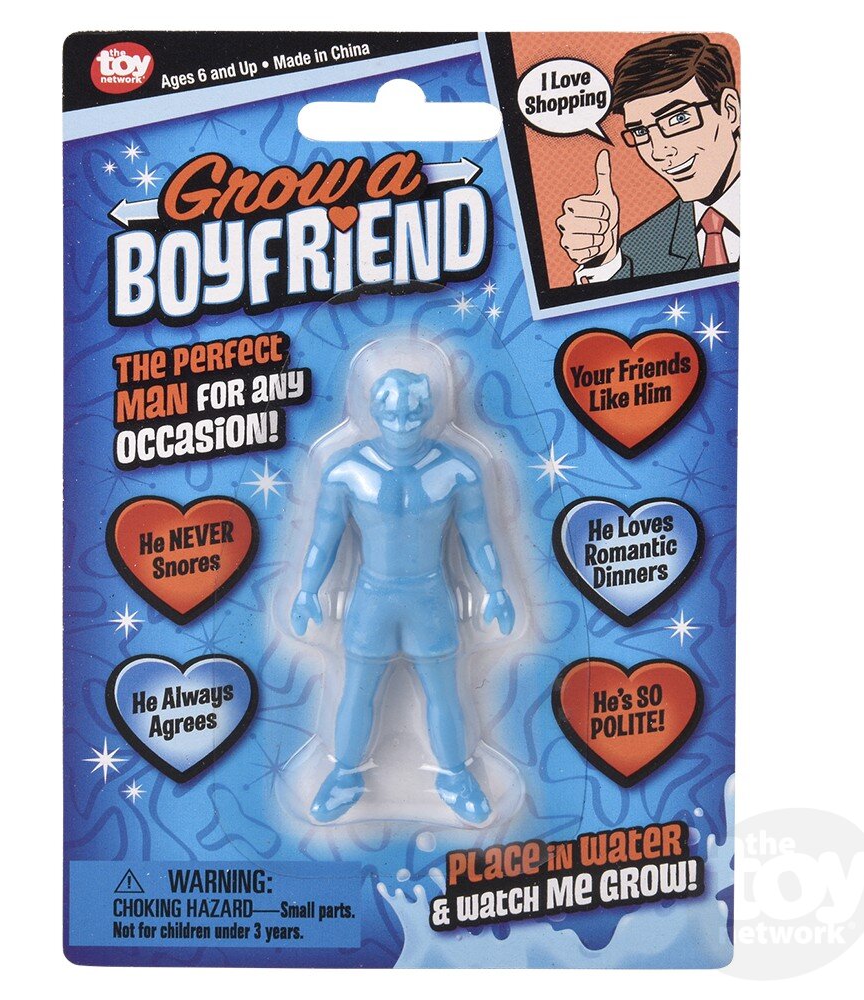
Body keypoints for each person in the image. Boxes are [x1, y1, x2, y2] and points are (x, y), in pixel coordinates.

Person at [291, 369, 514, 823]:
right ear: (374, 411)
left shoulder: (456, 470)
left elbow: (479, 537)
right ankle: (344, 775)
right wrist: (306, 589)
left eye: (413, 412)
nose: (402, 423)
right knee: (356, 692)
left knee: (444, 694)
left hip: (428, 598)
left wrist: (496, 588)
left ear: (429, 411)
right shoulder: (346, 470)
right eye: (392, 413)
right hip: (371, 599)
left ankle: (455, 777)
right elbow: (323, 539)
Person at [556, 34, 740, 282]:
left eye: (678, 118)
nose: (659, 151)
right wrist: (604, 263)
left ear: (729, 110)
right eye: (641, 132)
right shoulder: (638, 248)